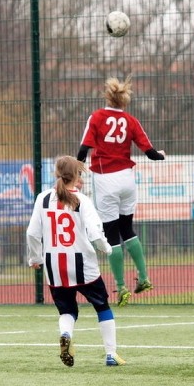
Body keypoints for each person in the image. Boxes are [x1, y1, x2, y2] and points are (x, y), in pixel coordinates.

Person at [26, 156, 125, 366]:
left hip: (54, 266)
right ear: (76, 176)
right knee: (102, 306)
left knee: (67, 310)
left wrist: (35, 257)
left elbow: (32, 233)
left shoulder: (42, 198)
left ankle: (65, 334)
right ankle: (111, 354)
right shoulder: (82, 200)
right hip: (83, 264)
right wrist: (106, 248)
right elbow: (95, 233)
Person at [76, 76, 166, 307]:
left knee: (111, 233)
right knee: (128, 228)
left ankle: (121, 286)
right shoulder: (130, 120)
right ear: (124, 101)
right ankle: (144, 277)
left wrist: (76, 172)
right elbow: (150, 152)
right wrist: (161, 155)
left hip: (105, 178)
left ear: (108, 96)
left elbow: (84, 148)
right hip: (127, 179)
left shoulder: (97, 117)